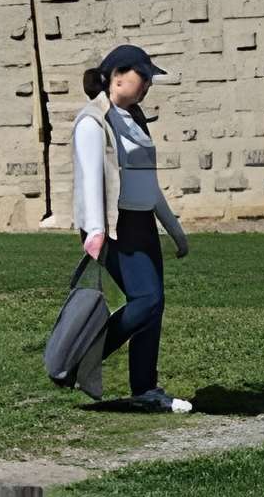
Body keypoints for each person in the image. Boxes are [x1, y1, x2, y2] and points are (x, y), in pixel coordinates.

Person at [75, 42, 192, 414]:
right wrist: (94, 230)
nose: (147, 84)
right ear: (117, 75)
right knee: (147, 300)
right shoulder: (93, 120)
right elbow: (90, 176)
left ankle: (145, 388)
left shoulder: (136, 119)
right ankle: (84, 356)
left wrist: (173, 228)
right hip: (114, 225)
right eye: (143, 76)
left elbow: (148, 182)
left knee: (153, 307)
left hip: (142, 223)